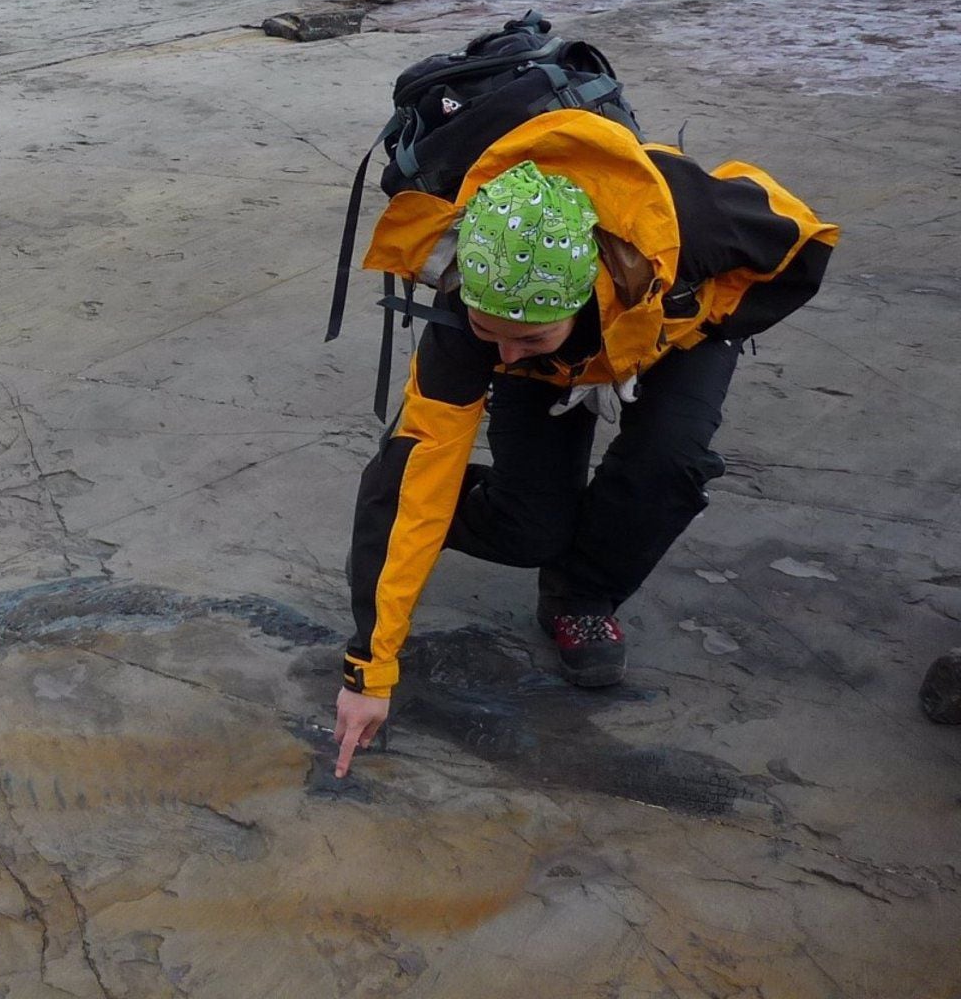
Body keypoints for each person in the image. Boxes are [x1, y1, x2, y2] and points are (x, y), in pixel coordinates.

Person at [333, 109, 837, 778]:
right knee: (518, 523)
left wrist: (699, 325)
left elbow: (805, 239)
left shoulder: (700, 224)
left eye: (527, 337)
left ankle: (581, 594)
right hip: (570, 344)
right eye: (490, 332)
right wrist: (370, 671)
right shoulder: (471, 322)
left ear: (583, 294)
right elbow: (431, 451)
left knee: (671, 460)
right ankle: (440, 512)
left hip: (670, 317)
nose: (505, 354)